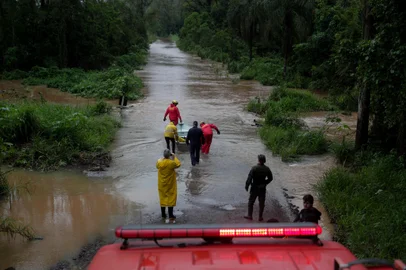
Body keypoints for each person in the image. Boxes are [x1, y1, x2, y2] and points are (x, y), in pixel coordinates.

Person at [244, 154, 274, 221]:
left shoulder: (254, 168)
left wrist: (247, 186)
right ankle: (260, 217)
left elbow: (249, 178)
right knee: (261, 203)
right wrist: (265, 183)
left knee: (251, 202)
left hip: (254, 187)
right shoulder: (267, 169)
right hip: (262, 188)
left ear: (258, 160)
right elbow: (271, 178)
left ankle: (250, 216)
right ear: (264, 160)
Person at [156, 149, 181, 223]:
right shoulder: (171, 163)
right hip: (170, 184)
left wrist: (162, 158)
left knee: (162, 197)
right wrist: (174, 156)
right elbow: (178, 164)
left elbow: (157, 165)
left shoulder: (159, 162)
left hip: (161, 184)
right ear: (169, 155)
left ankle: (163, 214)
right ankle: (171, 215)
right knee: (171, 197)